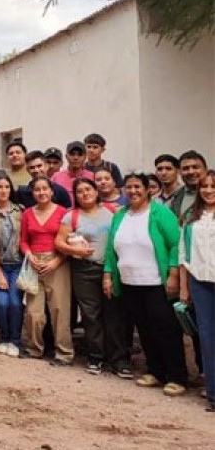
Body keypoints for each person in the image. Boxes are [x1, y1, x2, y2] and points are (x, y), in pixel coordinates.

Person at [104, 172, 186, 396]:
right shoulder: (120, 215)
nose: (133, 191)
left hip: (156, 282)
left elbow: (174, 245)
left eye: (137, 187)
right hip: (130, 282)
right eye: (128, 187)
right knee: (145, 329)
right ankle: (155, 371)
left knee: (165, 329)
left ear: (148, 189)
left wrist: (173, 274)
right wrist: (108, 275)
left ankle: (177, 376)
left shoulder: (160, 213)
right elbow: (111, 248)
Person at [54, 178, 130, 377]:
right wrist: (74, 249)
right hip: (83, 270)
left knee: (114, 314)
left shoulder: (113, 212)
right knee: (91, 315)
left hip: (111, 269)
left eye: (88, 189)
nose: (84, 194)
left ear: (96, 191)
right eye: (79, 191)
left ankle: (119, 360)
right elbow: (59, 242)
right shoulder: (72, 216)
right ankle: (95, 357)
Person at [19, 176, 72, 366]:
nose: (41, 193)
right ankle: (34, 348)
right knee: (33, 311)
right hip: (34, 262)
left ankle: (64, 353)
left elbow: (68, 241)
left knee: (59, 309)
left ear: (52, 191)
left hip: (57, 262)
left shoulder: (63, 213)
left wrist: (57, 260)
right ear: (32, 193)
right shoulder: (27, 214)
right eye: (37, 190)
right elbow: (24, 240)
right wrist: (29, 255)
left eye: (45, 189)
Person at [179, 169, 215, 411]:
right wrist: (184, 287)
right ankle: (213, 392)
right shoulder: (191, 218)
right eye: (205, 186)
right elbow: (183, 255)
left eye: (213, 186)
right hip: (200, 283)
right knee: (207, 337)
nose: (209, 190)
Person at [0, 174, 24, 357]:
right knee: (1, 304)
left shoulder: (20, 211)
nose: (3, 191)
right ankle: (4, 338)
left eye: (7, 187)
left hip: (17, 265)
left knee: (15, 304)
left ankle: (15, 341)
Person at [50, 141, 94, 205]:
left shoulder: (92, 177)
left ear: (85, 157)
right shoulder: (56, 177)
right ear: (66, 156)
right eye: (72, 154)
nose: (76, 158)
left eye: (80, 154)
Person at [171, 150, 208, 219]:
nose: (191, 172)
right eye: (185, 168)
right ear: (179, 172)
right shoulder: (174, 199)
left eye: (195, 167)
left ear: (206, 169)